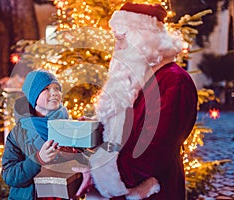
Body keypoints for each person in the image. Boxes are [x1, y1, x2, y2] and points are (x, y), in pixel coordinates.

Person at [76, 2, 198, 200]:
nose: (116, 47)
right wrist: (90, 132)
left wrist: (102, 174)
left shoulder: (174, 81)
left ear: (143, 40)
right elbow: (123, 130)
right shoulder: (135, 77)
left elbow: (152, 153)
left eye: (122, 40)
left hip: (153, 193)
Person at [1, 69, 70, 200]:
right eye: (47, 89)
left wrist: (86, 136)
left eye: (57, 88)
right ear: (33, 95)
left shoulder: (69, 126)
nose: (54, 93)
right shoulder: (18, 134)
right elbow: (9, 176)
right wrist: (38, 159)